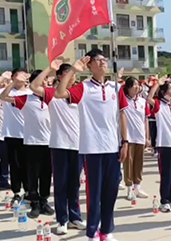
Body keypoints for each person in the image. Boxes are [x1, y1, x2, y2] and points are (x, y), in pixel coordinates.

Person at [54, 50, 128, 241]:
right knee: (94, 193)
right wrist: (73, 71)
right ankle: (92, 231)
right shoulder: (84, 88)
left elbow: (122, 114)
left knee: (111, 191)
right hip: (92, 148)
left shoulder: (115, 88)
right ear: (89, 65)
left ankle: (106, 230)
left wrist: (125, 141)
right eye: (98, 60)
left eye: (104, 59)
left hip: (112, 147)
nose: (103, 63)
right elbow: (60, 93)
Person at [30, 61, 86, 234]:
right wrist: (50, 68)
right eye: (70, 73)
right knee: (61, 184)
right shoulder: (51, 94)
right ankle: (62, 219)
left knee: (74, 184)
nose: (74, 77)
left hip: (77, 145)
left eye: (75, 74)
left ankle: (75, 217)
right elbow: (33, 86)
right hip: (59, 145)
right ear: (61, 76)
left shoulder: (79, 93)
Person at [0, 70, 54, 217]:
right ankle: (34, 203)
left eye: (46, 80)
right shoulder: (25, 99)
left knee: (46, 175)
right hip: (32, 143)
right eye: (41, 80)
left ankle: (44, 201)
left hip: (49, 143)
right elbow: (3, 96)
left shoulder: (51, 99)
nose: (44, 83)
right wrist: (14, 83)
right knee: (32, 175)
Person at [147, 76, 171, 213]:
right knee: (166, 173)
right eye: (169, 90)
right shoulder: (158, 105)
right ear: (163, 92)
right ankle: (164, 201)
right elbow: (149, 98)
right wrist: (157, 84)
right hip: (164, 143)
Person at [0, 69, 32, 203]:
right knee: (14, 166)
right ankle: (16, 192)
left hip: (29, 135)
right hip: (12, 134)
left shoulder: (31, 93)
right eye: (17, 75)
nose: (21, 77)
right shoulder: (7, 92)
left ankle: (29, 191)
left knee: (27, 165)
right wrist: (4, 78)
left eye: (24, 74)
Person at [122, 76, 150, 200]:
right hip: (128, 136)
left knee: (139, 163)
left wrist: (147, 136)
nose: (137, 87)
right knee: (129, 163)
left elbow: (146, 119)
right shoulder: (122, 100)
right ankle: (129, 188)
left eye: (139, 85)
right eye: (134, 85)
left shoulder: (142, 101)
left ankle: (137, 187)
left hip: (140, 136)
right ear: (128, 87)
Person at [0, 73, 11, 193]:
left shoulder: (10, 96)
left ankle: (4, 181)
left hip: (8, 133)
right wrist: (2, 77)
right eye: (3, 82)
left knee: (6, 160)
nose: (5, 84)